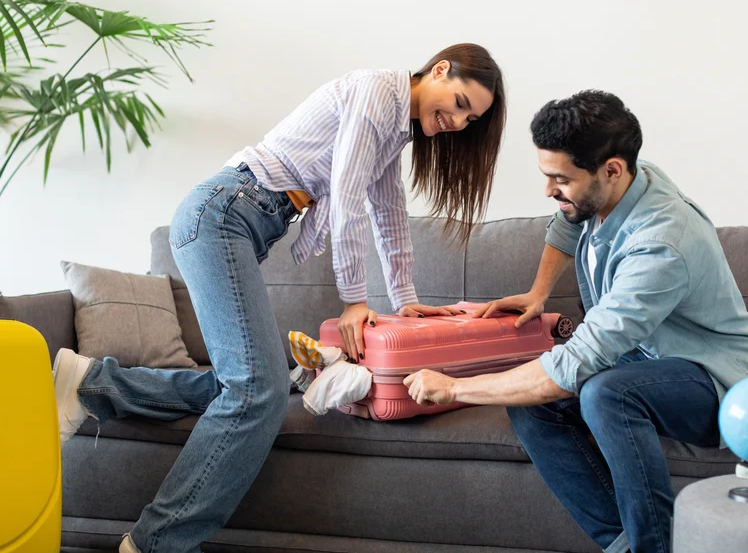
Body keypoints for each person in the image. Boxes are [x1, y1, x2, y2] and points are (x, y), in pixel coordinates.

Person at [50, 43, 506, 553]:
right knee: (257, 392)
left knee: (259, 383)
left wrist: (404, 299)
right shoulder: (378, 93)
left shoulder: (394, 125)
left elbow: (388, 211)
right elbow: (348, 199)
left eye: (470, 119)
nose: (458, 122)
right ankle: (156, 544)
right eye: (461, 104)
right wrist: (355, 298)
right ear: (440, 70)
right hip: (222, 216)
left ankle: (92, 384)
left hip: (235, 220)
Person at [403, 90, 748, 553]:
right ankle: (626, 545)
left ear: (612, 170)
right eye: (547, 175)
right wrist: (538, 292)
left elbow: (575, 364)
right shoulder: (620, 182)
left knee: (607, 393)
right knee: (532, 405)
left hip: (723, 380)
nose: (548, 190)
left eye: (560, 179)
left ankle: (654, 547)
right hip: (650, 360)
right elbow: (568, 220)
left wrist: (454, 388)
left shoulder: (662, 244)